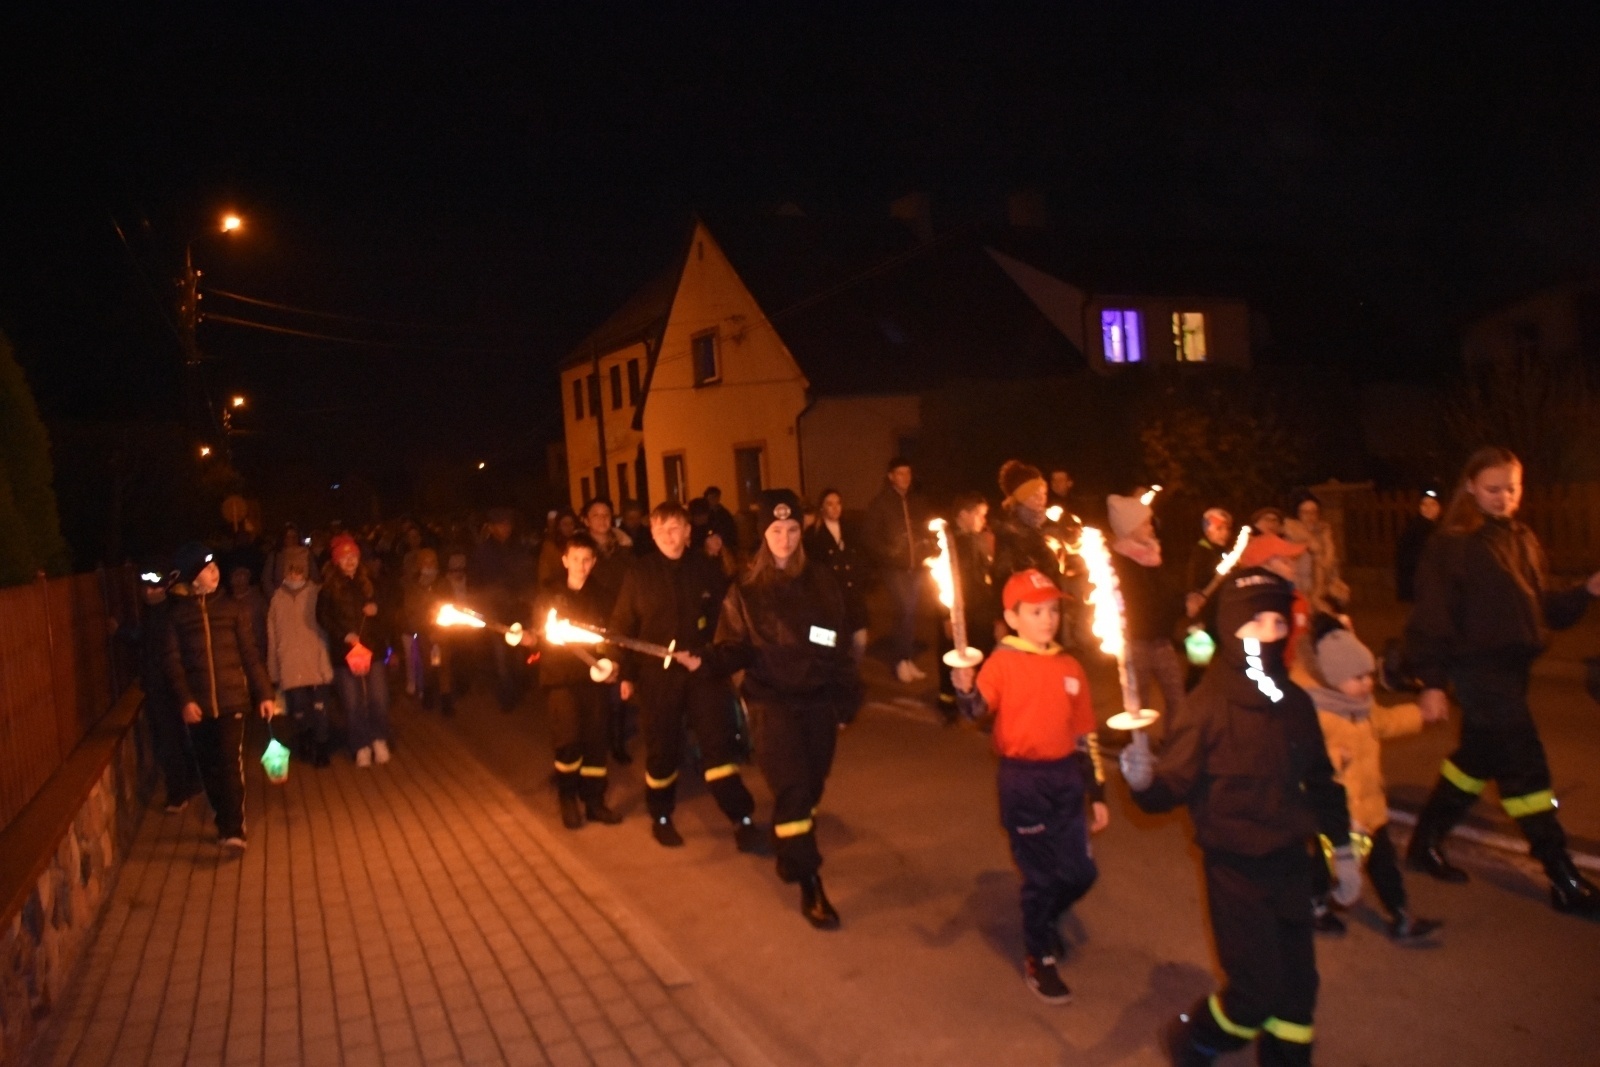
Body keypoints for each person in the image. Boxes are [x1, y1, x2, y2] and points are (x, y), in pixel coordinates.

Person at [1121, 563, 1358, 1066]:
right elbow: (1172, 788)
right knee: (1254, 991)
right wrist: (1144, 782)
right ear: (1230, 629)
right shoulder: (1207, 706)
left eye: (1276, 624)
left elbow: (1320, 780)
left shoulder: (1291, 701)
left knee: (1297, 987)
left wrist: (1342, 849)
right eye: (1254, 625)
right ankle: (1193, 1040)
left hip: (1291, 861)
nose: (1266, 635)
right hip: (1236, 869)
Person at [1402, 446, 1600, 914]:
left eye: (1512, 488)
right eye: (1493, 489)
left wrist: (1586, 592)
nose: (1504, 498)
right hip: (1478, 671)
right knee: (1526, 770)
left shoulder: (1522, 538)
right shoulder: (1450, 545)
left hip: (1514, 672)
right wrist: (1431, 682)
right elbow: (1430, 618)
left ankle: (1424, 842)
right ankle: (1561, 874)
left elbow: (1542, 607)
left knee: (1476, 759)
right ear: (1470, 487)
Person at [951, 569, 1107, 1005]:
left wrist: (1096, 792)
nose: (1047, 619)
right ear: (1013, 617)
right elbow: (975, 711)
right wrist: (964, 688)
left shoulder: (1070, 666)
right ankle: (1039, 957)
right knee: (1040, 876)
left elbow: (1085, 735)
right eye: (1036, 611)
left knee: (1080, 872)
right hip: (1023, 782)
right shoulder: (1002, 663)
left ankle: (1042, 921)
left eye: (1053, 610)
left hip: (1066, 780)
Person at [714, 490, 861, 928]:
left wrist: (842, 693)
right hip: (770, 703)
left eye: (793, 529)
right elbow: (732, 647)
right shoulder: (744, 589)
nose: (785, 537)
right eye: (776, 530)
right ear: (763, 534)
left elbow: (835, 638)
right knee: (794, 789)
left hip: (815, 698)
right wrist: (709, 659)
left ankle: (788, 846)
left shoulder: (819, 580)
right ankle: (809, 881)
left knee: (812, 786)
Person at [610, 501, 762, 850]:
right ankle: (661, 815)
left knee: (717, 746)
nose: (668, 535)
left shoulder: (705, 569)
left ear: (688, 531)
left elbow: (727, 626)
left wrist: (710, 659)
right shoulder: (639, 573)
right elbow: (621, 627)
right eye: (660, 528)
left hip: (701, 672)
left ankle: (742, 818)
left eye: (675, 527)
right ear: (651, 532)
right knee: (662, 749)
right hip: (656, 678)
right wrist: (621, 671)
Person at [1291, 615, 1442, 943]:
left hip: (1371, 809)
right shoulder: (1316, 714)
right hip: (1336, 816)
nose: (1367, 684)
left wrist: (1419, 714)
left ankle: (1401, 915)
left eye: (1369, 676)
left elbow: (1385, 722)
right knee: (1324, 868)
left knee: (1385, 865)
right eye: (1357, 678)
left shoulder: (1361, 706)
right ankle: (1315, 907)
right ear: (1332, 679)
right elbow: (1298, 760)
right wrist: (1330, 760)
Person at [161, 542, 276, 852]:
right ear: (193, 577)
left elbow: (251, 655)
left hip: (232, 700)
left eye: (215, 567)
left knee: (229, 762)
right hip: (198, 706)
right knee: (208, 766)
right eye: (207, 569)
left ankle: (234, 828)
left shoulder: (232, 608)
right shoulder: (177, 617)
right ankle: (223, 818)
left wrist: (264, 693)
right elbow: (173, 662)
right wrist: (186, 699)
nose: (215, 573)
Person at [536, 532, 624, 829]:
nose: (581, 565)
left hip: (593, 678)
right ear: (565, 560)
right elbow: (540, 633)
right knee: (569, 739)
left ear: (594, 561)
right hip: (560, 678)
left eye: (587, 560)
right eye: (575, 559)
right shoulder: (549, 594)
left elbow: (612, 635)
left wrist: (611, 662)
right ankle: (567, 797)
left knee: (597, 740)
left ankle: (595, 802)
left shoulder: (603, 595)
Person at [1108, 490, 1187, 734]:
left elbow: (1165, 595)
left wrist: (1183, 604)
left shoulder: (1154, 555)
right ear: (1130, 528)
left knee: (1177, 698)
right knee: (1137, 707)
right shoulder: (1117, 563)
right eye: (1145, 523)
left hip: (1161, 640)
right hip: (1136, 644)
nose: (1151, 527)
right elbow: (1139, 603)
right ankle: (1137, 755)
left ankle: (1174, 749)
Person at [318, 534, 394, 767]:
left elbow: (388, 609)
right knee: (352, 703)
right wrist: (344, 635)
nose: (350, 561)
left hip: (374, 650)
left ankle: (379, 738)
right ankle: (360, 745)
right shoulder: (328, 590)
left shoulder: (370, 582)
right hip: (346, 654)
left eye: (353, 556)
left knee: (378, 699)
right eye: (344, 557)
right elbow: (323, 617)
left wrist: (376, 609)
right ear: (336, 561)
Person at [130, 564, 200, 812]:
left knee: (170, 740)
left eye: (154, 587)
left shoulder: (170, 612)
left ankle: (179, 793)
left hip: (169, 685)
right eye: (145, 588)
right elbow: (144, 639)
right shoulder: (153, 612)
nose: (149, 592)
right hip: (160, 685)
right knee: (174, 738)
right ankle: (187, 785)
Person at [864, 457, 935, 684]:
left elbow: (925, 528)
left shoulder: (917, 500)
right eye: (900, 474)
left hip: (915, 567)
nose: (905, 478)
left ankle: (906, 659)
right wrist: (889, 553)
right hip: (893, 568)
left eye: (908, 473)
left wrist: (927, 546)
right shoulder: (881, 502)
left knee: (909, 614)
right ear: (891, 476)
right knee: (904, 609)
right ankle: (899, 662)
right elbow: (869, 537)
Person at [267, 546, 336, 767]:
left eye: (299, 571)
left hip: (316, 659)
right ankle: (305, 741)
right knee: (298, 709)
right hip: (290, 662)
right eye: (291, 571)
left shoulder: (317, 593)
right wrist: (274, 669)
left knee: (320, 708)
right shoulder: (277, 599)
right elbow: (272, 635)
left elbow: (328, 623)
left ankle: (322, 746)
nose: (295, 576)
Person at [936, 492, 999, 720]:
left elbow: (986, 576)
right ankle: (948, 701)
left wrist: (993, 614)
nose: (983, 520)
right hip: (955, 610)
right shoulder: (948, 542)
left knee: (980, 653)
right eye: (979, 515)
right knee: (952, 655)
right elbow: (940, 582)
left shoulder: (980, 539)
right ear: (964, 515)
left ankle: (978, 698)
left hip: (979, 608)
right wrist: (946, 616)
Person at [471, 507, 535, 712]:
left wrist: (526, 600)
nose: (505, 528)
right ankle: (507, 696)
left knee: (517, 656)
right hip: (496, 613)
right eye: (500, 524)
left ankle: (516, 687)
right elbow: (476, 583)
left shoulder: (518, 548)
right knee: (501, 658)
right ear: (491, 527)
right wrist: (484, 608)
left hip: (517, 611)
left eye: (507, 523)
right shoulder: (482, 552)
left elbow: (527, 576)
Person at [803, 488, 870, 667]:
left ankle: (851, 673)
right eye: (829, 504)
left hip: (852, 599)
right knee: (830, 644)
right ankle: (833, 678)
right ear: (822, 507)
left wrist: (860, 579)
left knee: (860, 640)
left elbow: (862, 557)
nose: (835, 508)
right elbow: (810, 569)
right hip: (827, 602)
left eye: (838, 503)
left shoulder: (851, 529)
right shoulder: (813, 535)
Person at [1284, 490, 1349, 614]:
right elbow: (1288, 567)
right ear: (1298, 514)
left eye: (1314, 512)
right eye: (1305, 512)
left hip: (1322, 592)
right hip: (1299, 591)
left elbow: (1331, 565)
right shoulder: (1291, 536)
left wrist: (1335, 583)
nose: (1310, 516)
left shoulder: (1324, 535)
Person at [1394, 489, 1441, 603]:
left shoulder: (1440, 527)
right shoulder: (1416, 529)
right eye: (1424, 504)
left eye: (1433, 504)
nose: (1428, 508)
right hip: (1422, 585)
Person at [704, 486, 741, 555]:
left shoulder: (724, 513)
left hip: (724, 544)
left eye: (716, 497)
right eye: (712, 497)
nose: (714, 500)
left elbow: (730, 529)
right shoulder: (705, 513)